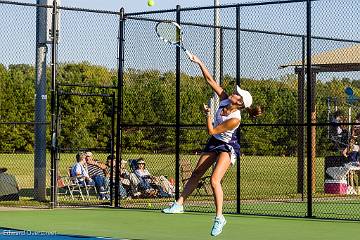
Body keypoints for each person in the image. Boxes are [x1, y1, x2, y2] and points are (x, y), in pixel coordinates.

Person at [162, 54, 262, 236]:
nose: (234, 92)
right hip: (215, 142)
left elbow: (212, 131)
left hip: (227, 146)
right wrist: (199, 62)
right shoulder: (224, 99)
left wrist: (208, 114)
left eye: (237, 94)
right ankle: (179, 204)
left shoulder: (235, 119)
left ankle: (219, 218)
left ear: (239, 103)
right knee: (197, 172)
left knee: (214, 180)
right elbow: (210, 80)